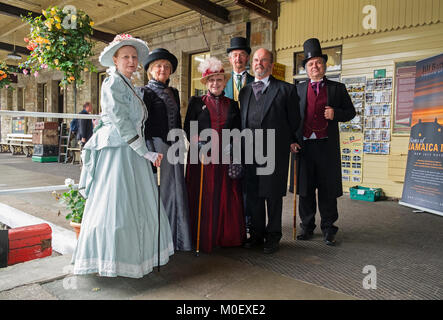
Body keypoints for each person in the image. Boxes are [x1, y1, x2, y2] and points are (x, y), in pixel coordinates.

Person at [71, 34, 174, 278]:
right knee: (115, 204)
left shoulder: (127, 83)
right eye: (125, 56)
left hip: (130, 148)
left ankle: (133, 258)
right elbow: (121, 122)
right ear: (115, 60)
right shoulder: (113, 83)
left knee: (133, 206)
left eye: (134, 57)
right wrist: (146, 152)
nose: (131, 60)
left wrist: (142, 151)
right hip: (119, 150)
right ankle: (111, 261)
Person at [291, 38, 356, 246]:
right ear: (306, 69)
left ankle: (329, 229)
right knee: (306, 190)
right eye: (310, 64)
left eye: (318, 62)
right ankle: (307, 227)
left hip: (326, 147)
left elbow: (351, 112)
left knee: (327, 190)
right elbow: (290, 117)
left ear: (324, 65)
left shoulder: (338, 88)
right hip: (305, 147)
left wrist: (335, 113)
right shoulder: (298, 90)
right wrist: (292, 141)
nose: (315, 66)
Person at [239, 48, 300, 254]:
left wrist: (293, 140)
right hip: (249, 150)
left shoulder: (286, 90)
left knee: (272, 195)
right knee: (253, 194)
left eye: (264, 60)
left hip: (274, 151)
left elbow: (295, 120)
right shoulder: (245, 90)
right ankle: (256, 234)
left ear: (271, 65)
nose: (259, 63)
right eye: (256, 60)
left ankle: (273, 236)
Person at [184, 56, 245, 253]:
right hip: (202, 159)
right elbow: (188, 129)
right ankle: (203, 237)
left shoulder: (233, 104)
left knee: (226, 195)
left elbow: (237, 131)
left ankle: (225, 236)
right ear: (206, 83)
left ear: (224, 82)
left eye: (219, 80)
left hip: (225, 157)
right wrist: (200, 146)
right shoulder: (196, 103)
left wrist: (233, 151)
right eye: (211, 80)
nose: (215, 83)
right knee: (205, 196)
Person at [140, 48, 192, 251]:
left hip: (176, 147)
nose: (162, 69)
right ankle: (160, 242)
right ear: (151, 70)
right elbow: (142, 126)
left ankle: (178, 239)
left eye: (166, 66)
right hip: (158, 147)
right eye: (158, 66)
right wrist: (149, 151)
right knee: (162, 193)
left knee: (177, 192)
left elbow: (177, 120)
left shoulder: (174, 92)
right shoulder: (145, 92)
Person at [225, 37, 254, 101]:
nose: (238, 58)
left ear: (247, 58)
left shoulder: (255, 82)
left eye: (242, 55)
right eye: (235, 55)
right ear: (230, 59)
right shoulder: (224, 82)